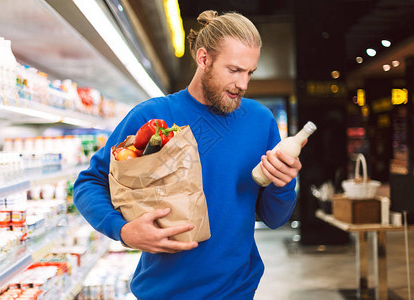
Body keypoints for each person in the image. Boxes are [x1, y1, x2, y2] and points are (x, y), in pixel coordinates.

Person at [74, 10, 303, 299]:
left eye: (249, 72)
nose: (243, 84)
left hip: (237, 291)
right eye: (234, 70)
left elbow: (274, 218)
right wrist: (123, 230)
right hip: (162, 292)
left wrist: (284, 183)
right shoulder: (153, 116)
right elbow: (89, 183)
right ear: (204, 58)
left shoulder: (260, 121)